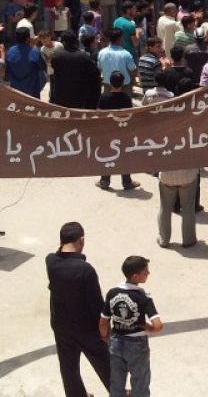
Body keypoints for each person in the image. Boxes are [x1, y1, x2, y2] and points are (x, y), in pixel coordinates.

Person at [46, 222, 111, 396]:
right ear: (81, 240)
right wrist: (105, 330)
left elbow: (57, 253)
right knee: (105, 362)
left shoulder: (50, 261)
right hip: (86, 329)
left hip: (61, 326)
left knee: (68, 367)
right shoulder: (85, 270)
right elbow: (97, 304)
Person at [99, 255, 162, 397]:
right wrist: (146, 326)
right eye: (145, 272)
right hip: (137, 345)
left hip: (116, 342)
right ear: (135, 276)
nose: (148, 274)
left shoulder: (112, 293)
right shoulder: (143, 297)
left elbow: (103, 322)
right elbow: (158, 326)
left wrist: (105, 337)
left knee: (116, 384)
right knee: (140, 383)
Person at [97, 72, 140, 191]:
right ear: (123, 83)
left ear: (109, 82)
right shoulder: (126, 98)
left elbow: (99, 114)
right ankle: (127, 182)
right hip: (122, 131)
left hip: (107, 131)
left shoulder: (103, 97)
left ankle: (104, 181)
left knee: (107, 154)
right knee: (124, 155)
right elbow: (129, 115)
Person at [50, 30, 102, 108]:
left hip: (61, 97)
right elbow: (96, 75)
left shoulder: (56, 57)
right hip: (80, 98)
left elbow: (53, 76)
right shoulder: (84, 57)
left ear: (63, 42)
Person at [157, 159, 198, 249]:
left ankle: (163, 239)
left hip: (166, 176)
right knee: (188, 209)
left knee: (165, 208)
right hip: (188, 176)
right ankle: (189, 240)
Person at [5, 27, 46, 97]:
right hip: (32, 95)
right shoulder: (34, 52)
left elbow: (7, 73)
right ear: (28, 39)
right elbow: (44, 67)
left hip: (16, 94)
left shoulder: (10, 51)